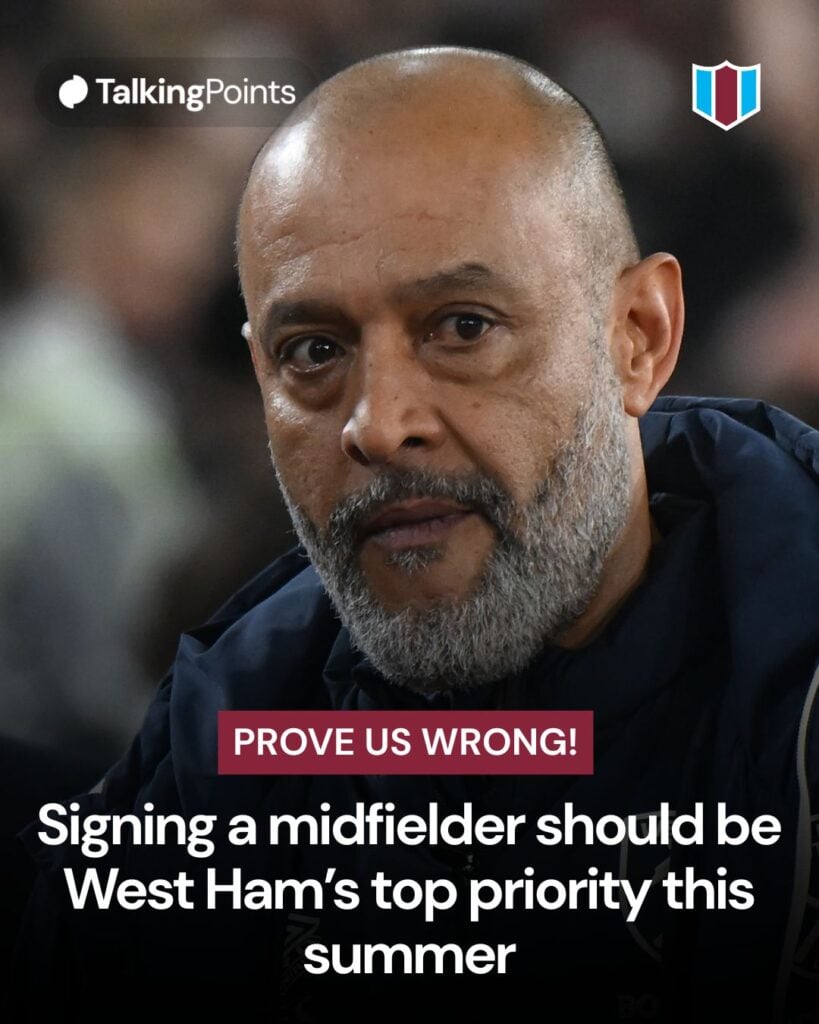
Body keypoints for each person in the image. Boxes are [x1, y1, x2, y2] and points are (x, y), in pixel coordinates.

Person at [13, 47, 819, 1022]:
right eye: (313, 350)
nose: (377, 423)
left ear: (638, 337)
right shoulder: (221, 736)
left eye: (463, 327)